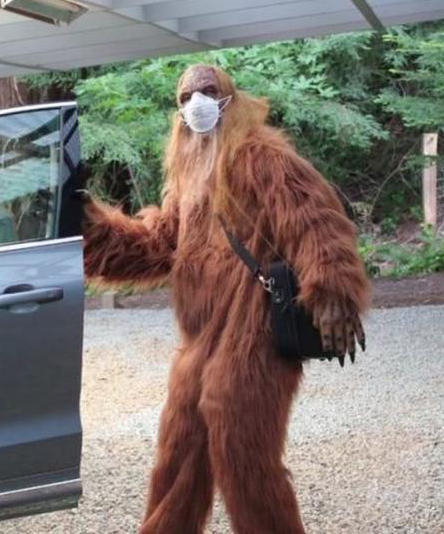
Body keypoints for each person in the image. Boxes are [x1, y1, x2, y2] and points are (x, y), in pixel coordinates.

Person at [82, 64, 370, 533]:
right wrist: (90, 223)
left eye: (208, 91)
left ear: (230, 99)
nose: (197, 102)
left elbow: (315, 219)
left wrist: (333, 291)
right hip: (199, 342)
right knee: (179, 453)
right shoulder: (188, 179)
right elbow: (158, 246)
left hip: (253, 334)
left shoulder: (262, 157)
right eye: (187, 96)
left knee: (244, 454)